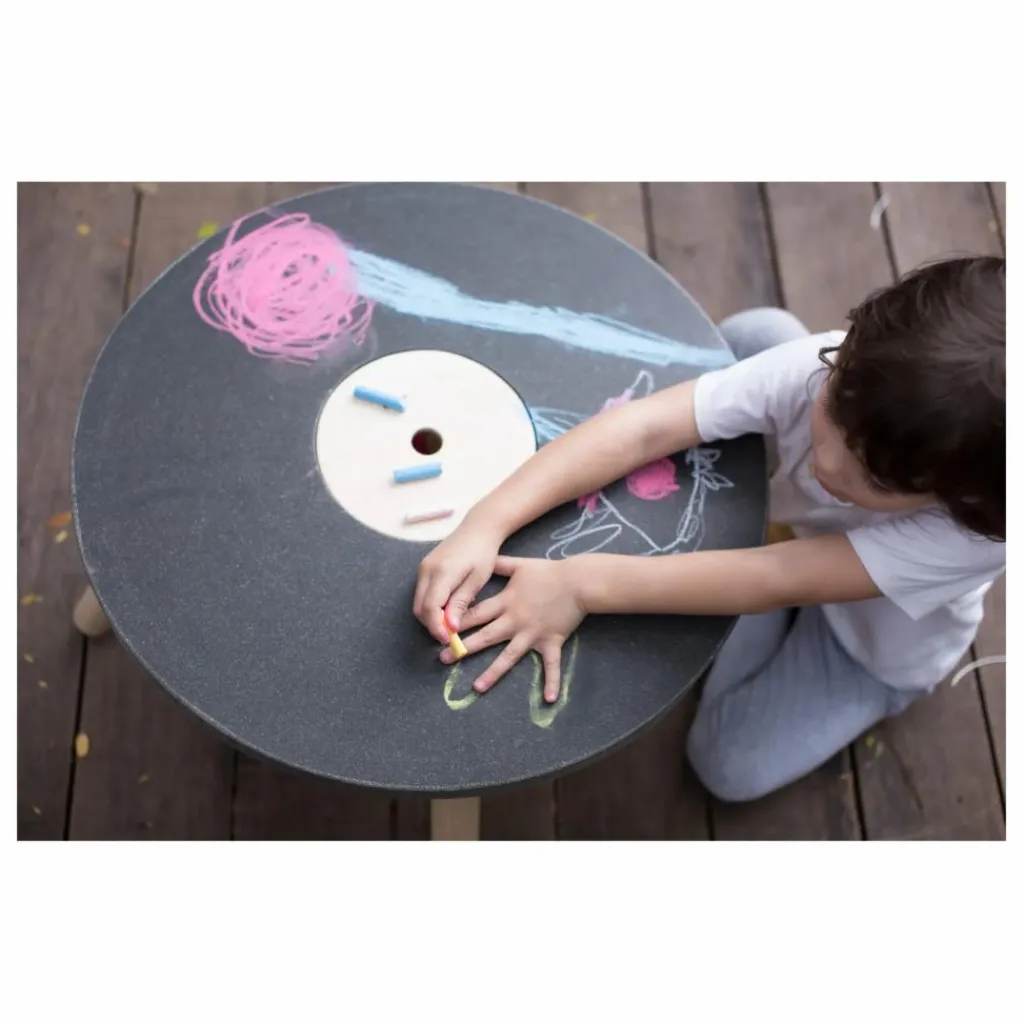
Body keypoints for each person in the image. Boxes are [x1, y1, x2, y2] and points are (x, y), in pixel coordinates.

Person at [412, 256, 1006, 802]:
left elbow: (778, 578)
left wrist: (577, 584)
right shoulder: (826, 367)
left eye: (875, 478)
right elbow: (644, 428)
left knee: (728, 765)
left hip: (866, 646)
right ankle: (753, 536)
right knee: (762, 337)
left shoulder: (971, 536)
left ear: (966, 497)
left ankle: (779, 615)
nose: (829, 464)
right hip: (789, 550)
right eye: (837, 410)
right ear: (852, 349)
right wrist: (485, 522)